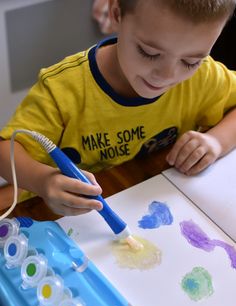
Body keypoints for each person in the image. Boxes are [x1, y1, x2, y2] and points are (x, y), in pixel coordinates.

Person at [1, 0, 236, 217]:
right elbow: (5, 153)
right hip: (62, 216)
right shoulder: (64, 89)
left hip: (145, 200)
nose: (167, 75)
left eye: (190, 61)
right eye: (149, 52)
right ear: (117, 14)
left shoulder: (204, 77)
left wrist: (217, 141)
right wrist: (44, 181)